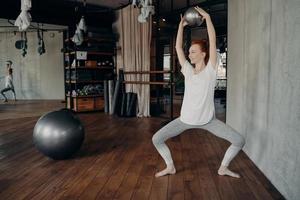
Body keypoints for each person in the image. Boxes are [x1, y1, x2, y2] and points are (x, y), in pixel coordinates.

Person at [152, 6, 245, 178]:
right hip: (185, 120)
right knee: (156, 139)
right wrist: (181, 26)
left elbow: (213, 40)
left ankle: (223, 167)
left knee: (239, 140)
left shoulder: (210, 70)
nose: (189, 54)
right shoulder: (187, 70)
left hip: (208, 121)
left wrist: (208, 19)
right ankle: (170, 166)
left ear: (203, 54)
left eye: (193, 52)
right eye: (190, 52)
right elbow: (178, 48)